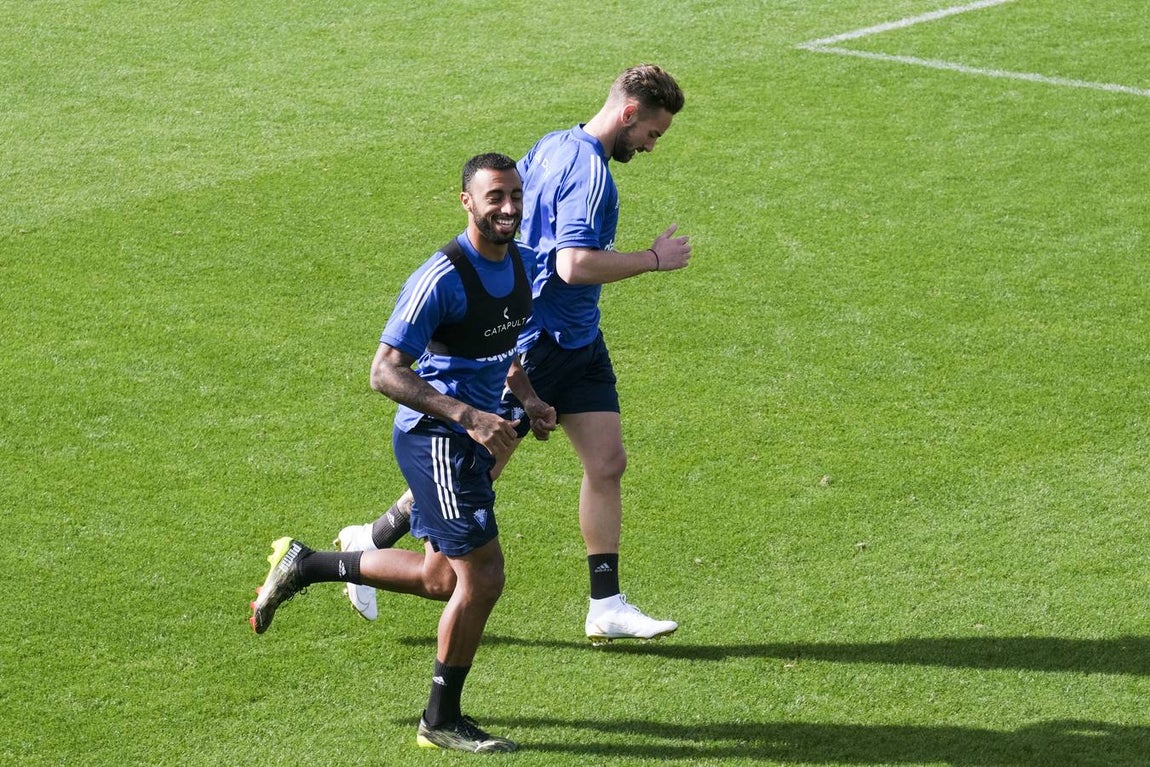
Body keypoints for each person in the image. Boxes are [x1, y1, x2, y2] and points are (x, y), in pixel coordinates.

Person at [337, 64, 691, 644]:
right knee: (476, 470)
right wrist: (654, 259)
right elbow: (572, 264)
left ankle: (606, 603)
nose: (651, 146)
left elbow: (515, 225)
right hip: (543, 342)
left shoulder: (554, 143)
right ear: (629, 114)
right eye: (652, 133)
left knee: (607, 463)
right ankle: (371, 543)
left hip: (581, 339)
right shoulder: (594, 177)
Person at [248, 153, 556, 753]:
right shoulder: (441, 277)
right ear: (466, 201)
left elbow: (506, 351)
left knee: (443, 578)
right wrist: (468, 416)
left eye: (516, 196)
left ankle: (306, 565)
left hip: (473, 434)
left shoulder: (522, 265)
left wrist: (531, 399)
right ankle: (439, 721)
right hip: (436, 438)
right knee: (484, 576)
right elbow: (384, 373)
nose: (509, 208)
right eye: (495, 197)